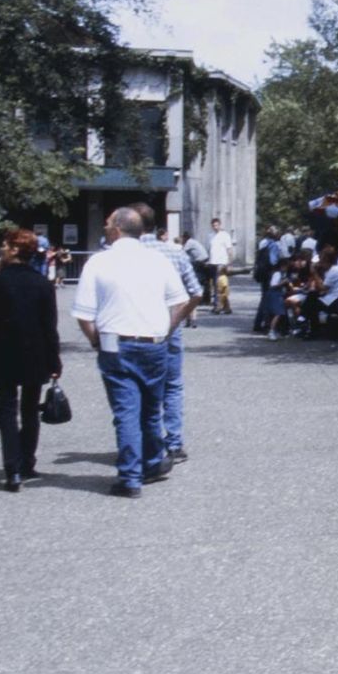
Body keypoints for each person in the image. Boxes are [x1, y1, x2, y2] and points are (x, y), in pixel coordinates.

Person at [71, 207, 193, 497]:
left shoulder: (99, 262)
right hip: (154, 342)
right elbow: (182, 301)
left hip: (116, 342)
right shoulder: (159, 261)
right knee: (151, 409)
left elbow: (84, 315)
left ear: (116, 229)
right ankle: (151, 463)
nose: (104, 226)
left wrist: (95, 342)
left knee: (126, 411)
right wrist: (167, 330)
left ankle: (129, 477)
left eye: (108, 222)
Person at [0, 229, 61, 492]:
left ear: (14, 249)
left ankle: (11, 468)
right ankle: (27, 461)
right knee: (30, 409)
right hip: (35, 351)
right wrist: (54, 359)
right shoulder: (42, 283)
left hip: (3, 349)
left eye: (5, 244)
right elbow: (50, 324)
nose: (2, 247)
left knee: (7, 410)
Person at [134, 204, 200, 460]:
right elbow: (196, 292)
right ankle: (173, 443)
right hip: (168, 325)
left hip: (133, 326)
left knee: (135, 388)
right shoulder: (175, 253)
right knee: (171, 385)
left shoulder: (121, 254)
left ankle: (142, 442)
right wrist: (177, 320)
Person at [206, 218, 234, 312]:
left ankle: (217, 306)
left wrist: (230, 264)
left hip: (222, 262)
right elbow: (209, 249)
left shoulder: (225, 235)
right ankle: (227, 307)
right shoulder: (210, 236)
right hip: (212, 262)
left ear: (220, 225)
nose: (215, 227)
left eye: (217, 225)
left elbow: (229, 250)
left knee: (219, 284)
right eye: (213, 225)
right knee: (217, 284)